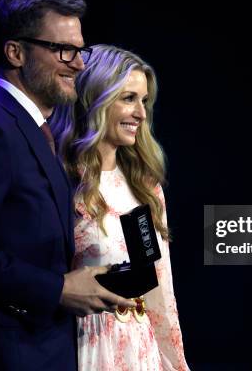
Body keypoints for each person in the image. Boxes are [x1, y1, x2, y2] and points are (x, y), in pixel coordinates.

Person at [0, 0, 135, 371]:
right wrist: (57, 289)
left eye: (80, 50)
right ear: (15, 53)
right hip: (2, 355)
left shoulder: (35, 129)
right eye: (63, 50)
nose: (78, 65)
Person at [52, 44, 190, 370]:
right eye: (128, 98)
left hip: (140, 352)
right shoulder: (60, 180)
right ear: (95, 98)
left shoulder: (145, 187)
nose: (141, 113)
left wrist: (174, 363)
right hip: (83, 350)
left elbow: (160, 292)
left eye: (144, 101)